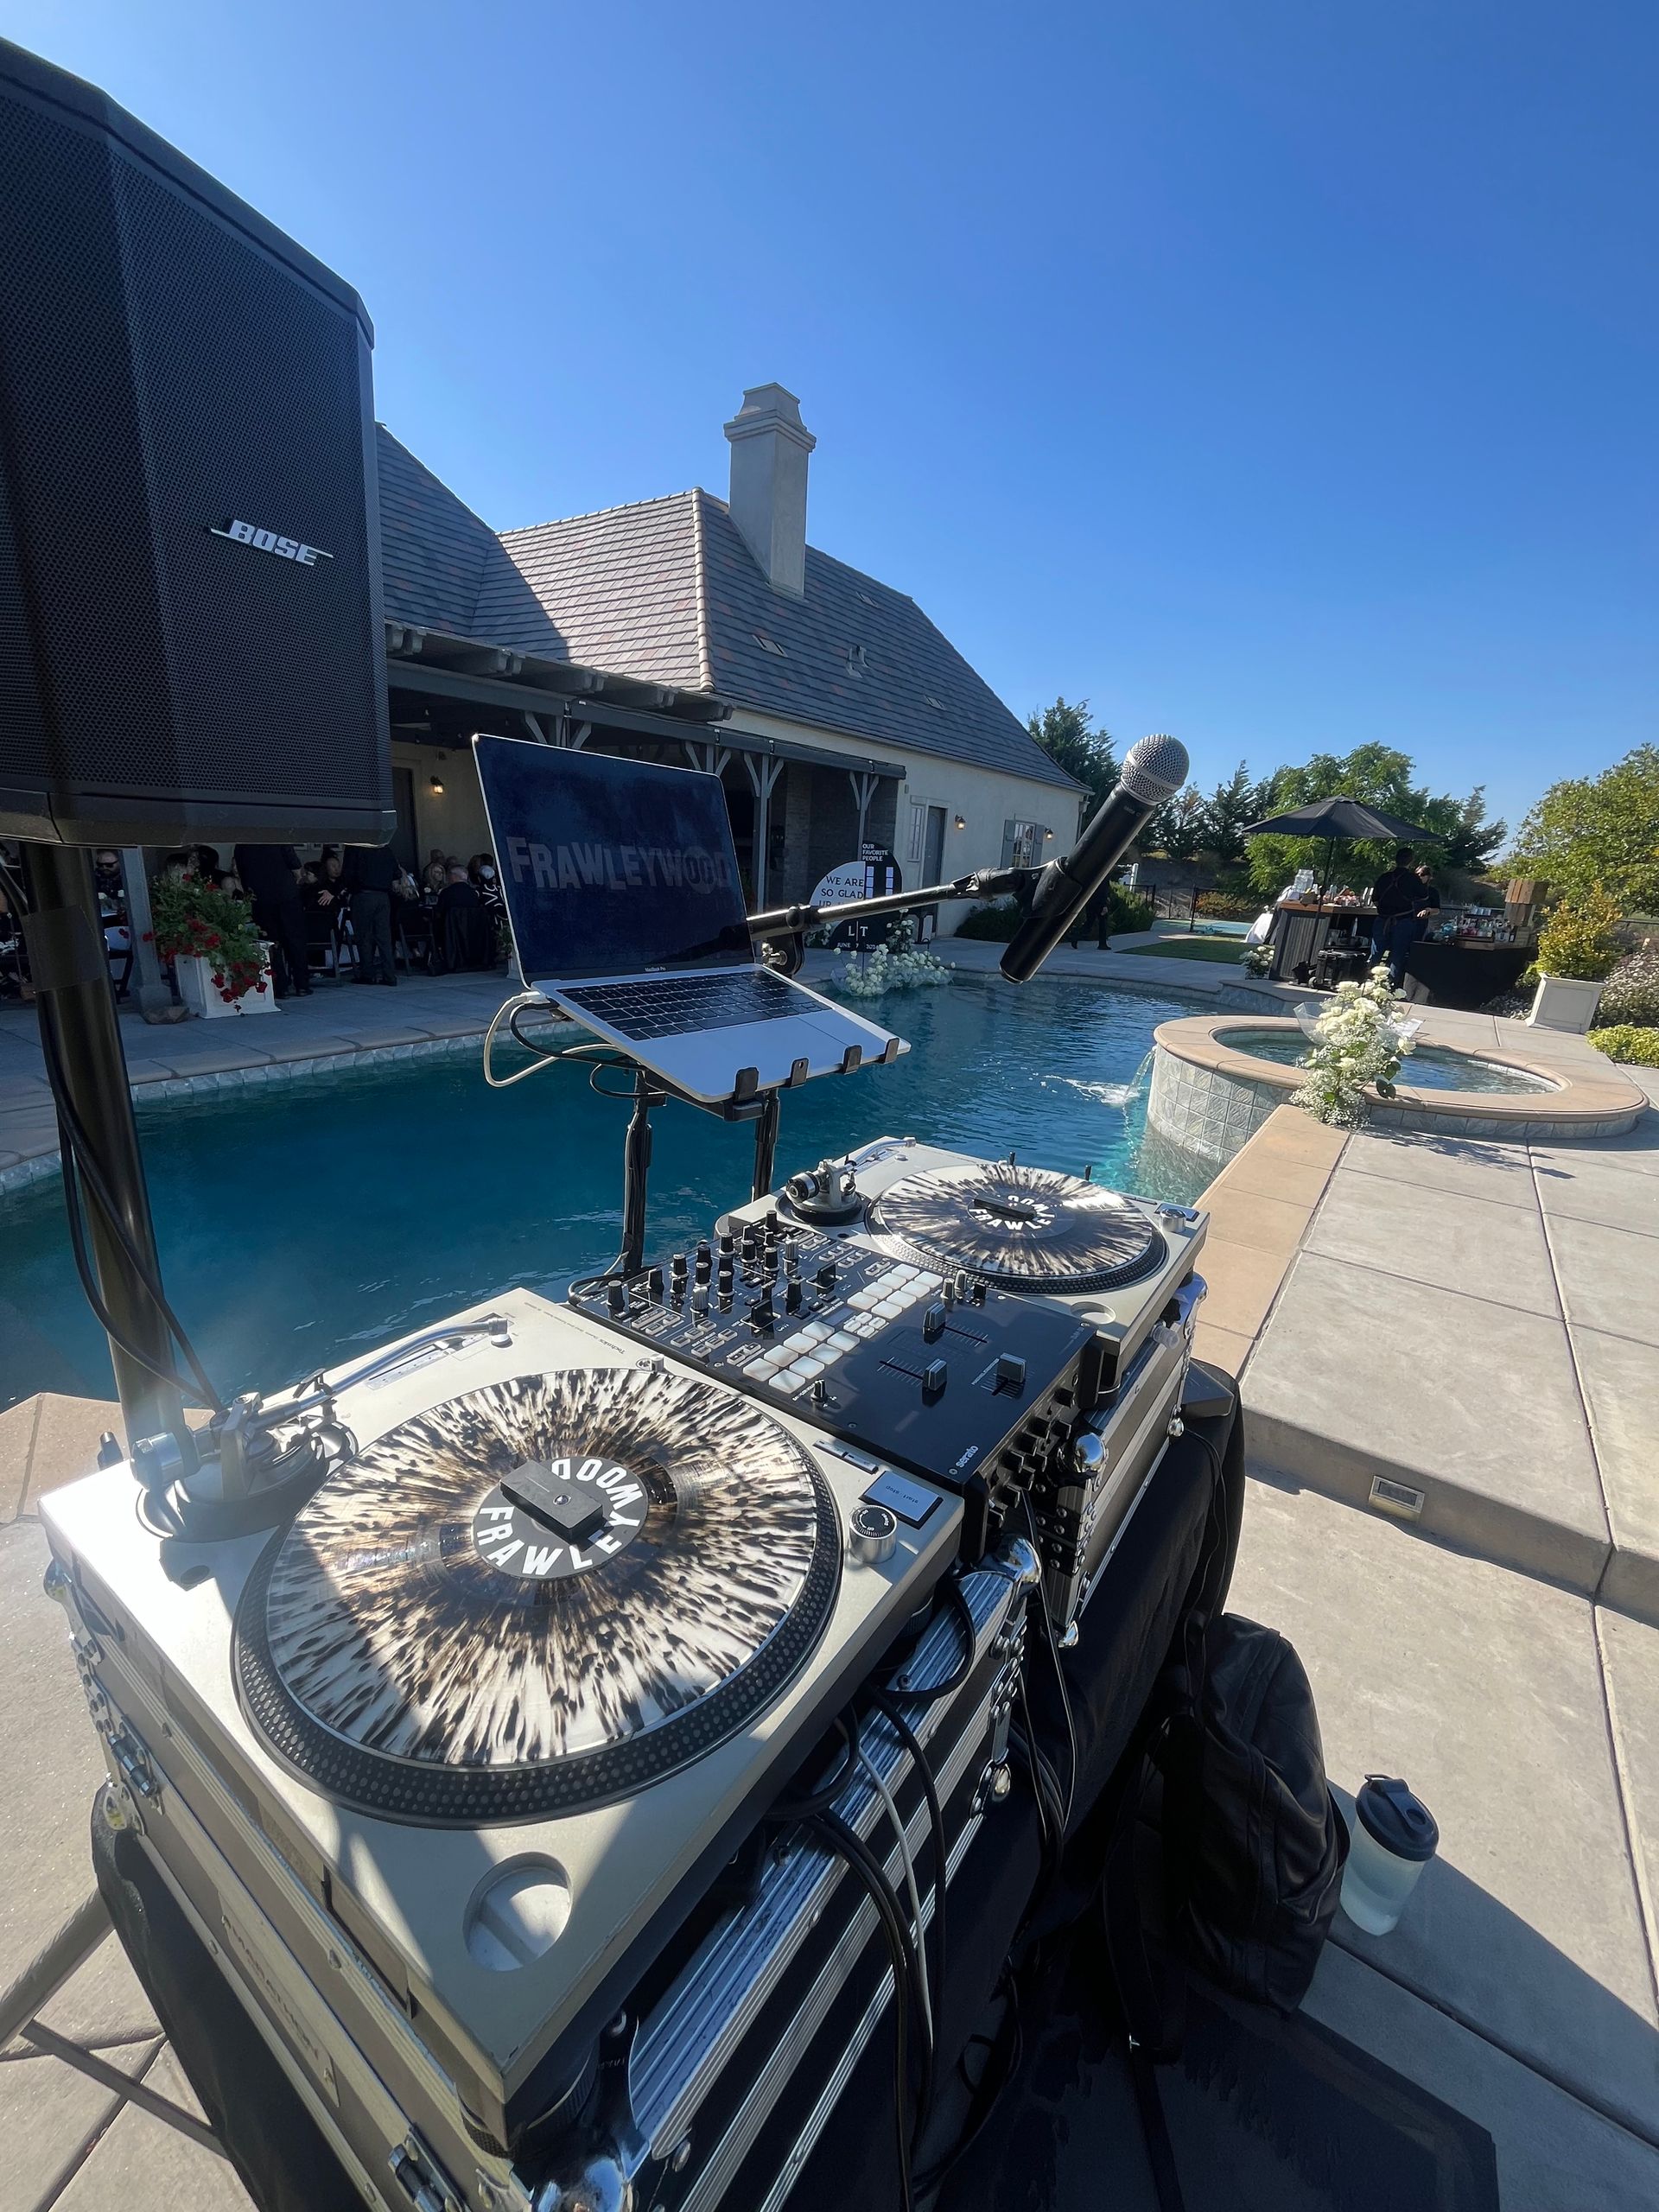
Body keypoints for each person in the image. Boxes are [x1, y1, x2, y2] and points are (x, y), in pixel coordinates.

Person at [233, 844, 311, 999]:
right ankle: (302, 984)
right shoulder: (277, 838)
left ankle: (280, 986)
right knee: (295, 940)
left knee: (271, 942)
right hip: (286, 894)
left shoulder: (242, 844)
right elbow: (296, 868)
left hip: (261, 897)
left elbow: (241, 873)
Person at [1368, 846, 1433, 988]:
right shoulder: (1412, 878)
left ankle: (1369, 984)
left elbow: (1375, 899)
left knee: (1376, 954)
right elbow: (1424, 895)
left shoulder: (1385, 877)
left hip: (1383, 919)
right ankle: (1389, 988)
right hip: (1403, 921)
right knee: (1397, 955)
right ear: (1410, 861)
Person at [344, 844, 404, 985]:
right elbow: (397, 873)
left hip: (363, 895)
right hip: (383, 895)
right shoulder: (386, 849)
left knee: (364, 936)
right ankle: (389, 975)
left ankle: (368, 974)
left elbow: (348, 874)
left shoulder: (354, 847)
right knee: (384, 937)